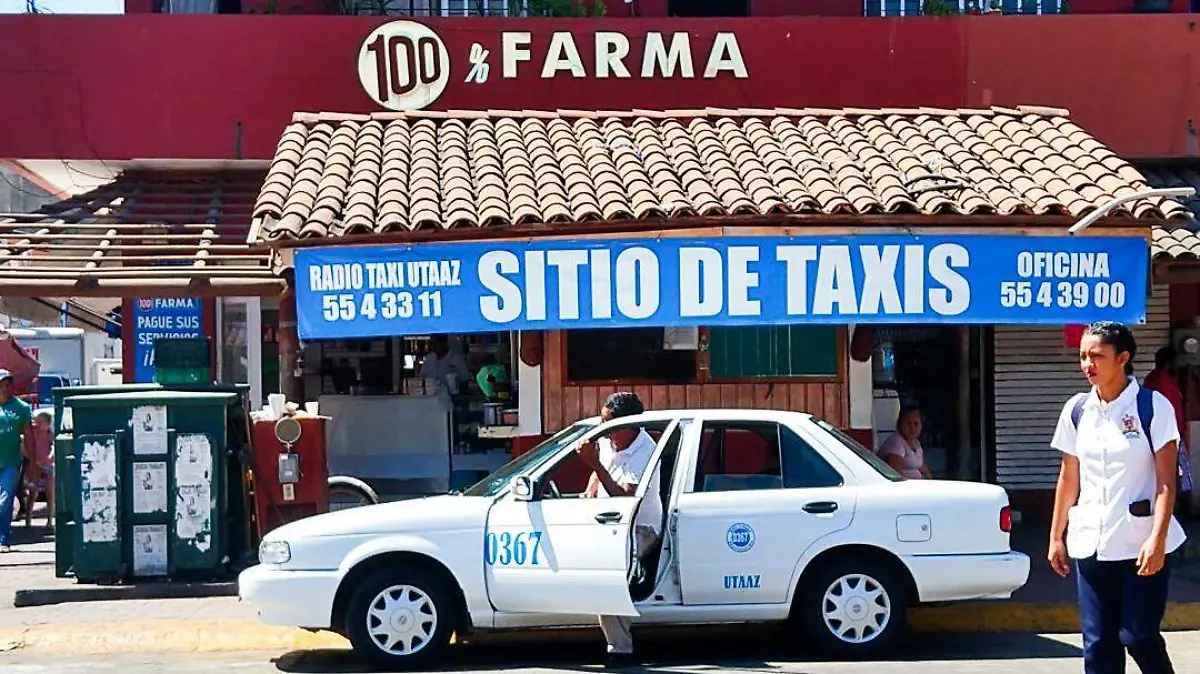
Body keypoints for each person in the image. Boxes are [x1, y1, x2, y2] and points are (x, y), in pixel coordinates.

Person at [1049, 321, 1187, 674]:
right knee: (1098, 645)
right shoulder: (1077, 410)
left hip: (1140, 542)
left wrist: (1157, 540)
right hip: (1092, 542)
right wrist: (1056, 537)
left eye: (1097, 355)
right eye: (1082, 356)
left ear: (1123, 358)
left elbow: (1166, 479)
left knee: (1138, 635)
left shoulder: (1151, 407)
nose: (1087, 364)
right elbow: (1068, 476)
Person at [574, 391, 661, 668]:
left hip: (640, 528)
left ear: (629, 425)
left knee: (607, 569)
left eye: (609, 424)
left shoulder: (645, 449)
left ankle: (620, 649)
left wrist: (594, 464)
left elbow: (626, 497)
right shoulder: (610, 442)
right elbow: (600, 475)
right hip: (608, 523)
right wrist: (589, 491)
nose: (604, 431)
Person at [1143, 346, 1193, 495]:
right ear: (1169, 363)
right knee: (1173, 477)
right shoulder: (1161, 381)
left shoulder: (1155, 379)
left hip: (1168, 435)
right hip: (1168, 437)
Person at [0, 369, 32, 553]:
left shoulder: (21, 408)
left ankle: (3, 539)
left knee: (4, 501)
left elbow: (29, 437)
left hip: (11, 462)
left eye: (8, 385)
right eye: (2, 385)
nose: (5, 389)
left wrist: (34, 462)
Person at [878, 405, 931, 479]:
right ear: (899, 424)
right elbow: (896, 475)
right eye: (908, 423)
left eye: (916, 424)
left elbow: (923, 468)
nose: (912, 427)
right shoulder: (896, 442)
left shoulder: (916, 443)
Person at [22, 410, 53, 529]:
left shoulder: (49, 434)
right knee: (32, 493)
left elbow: (53, 446)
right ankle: (28, 519)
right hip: (34, 466)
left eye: (41, 422)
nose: (37, 424)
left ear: (48, 424)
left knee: (50, 493)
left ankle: (50, 521)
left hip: (47, 466)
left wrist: (51, 456)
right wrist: (32, 459)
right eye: (36, 422)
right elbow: (25, 447)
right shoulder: (32, 433)